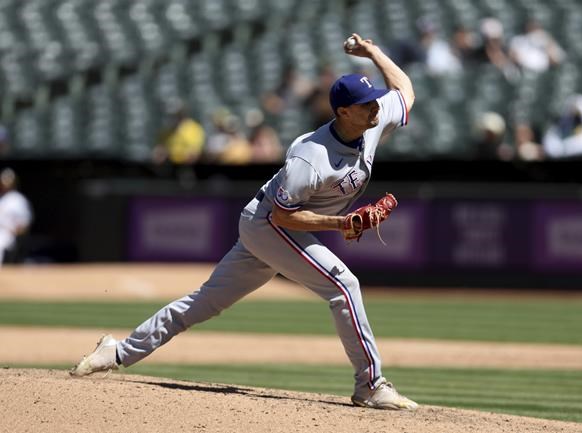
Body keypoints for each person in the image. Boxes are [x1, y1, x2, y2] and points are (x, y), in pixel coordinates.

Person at [70, 33, 418, 411]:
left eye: (373, 102)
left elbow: (404, 90)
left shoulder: (372, 121)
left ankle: (117, 352)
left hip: (268, 226)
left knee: (203, 303)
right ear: (343, 112)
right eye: (365, 104)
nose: (375, 108)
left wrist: (373, 52)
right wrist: (341, 223)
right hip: (269, 223)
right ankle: (370, 385)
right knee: (344, 286)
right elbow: (284, 215)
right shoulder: (310, 158)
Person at [152, 99, 206, 165]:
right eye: (170, 115)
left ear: (182, 114)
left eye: (175, 115)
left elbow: (193, 155)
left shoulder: (195, 129)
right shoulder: (165, 131)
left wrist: (174, 155)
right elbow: (159, 150)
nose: (172, 117)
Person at [0, 168, 32, 265]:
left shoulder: (18, 199)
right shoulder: (2, 199)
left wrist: (17, 234)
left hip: (9, 237)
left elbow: (25, 222)